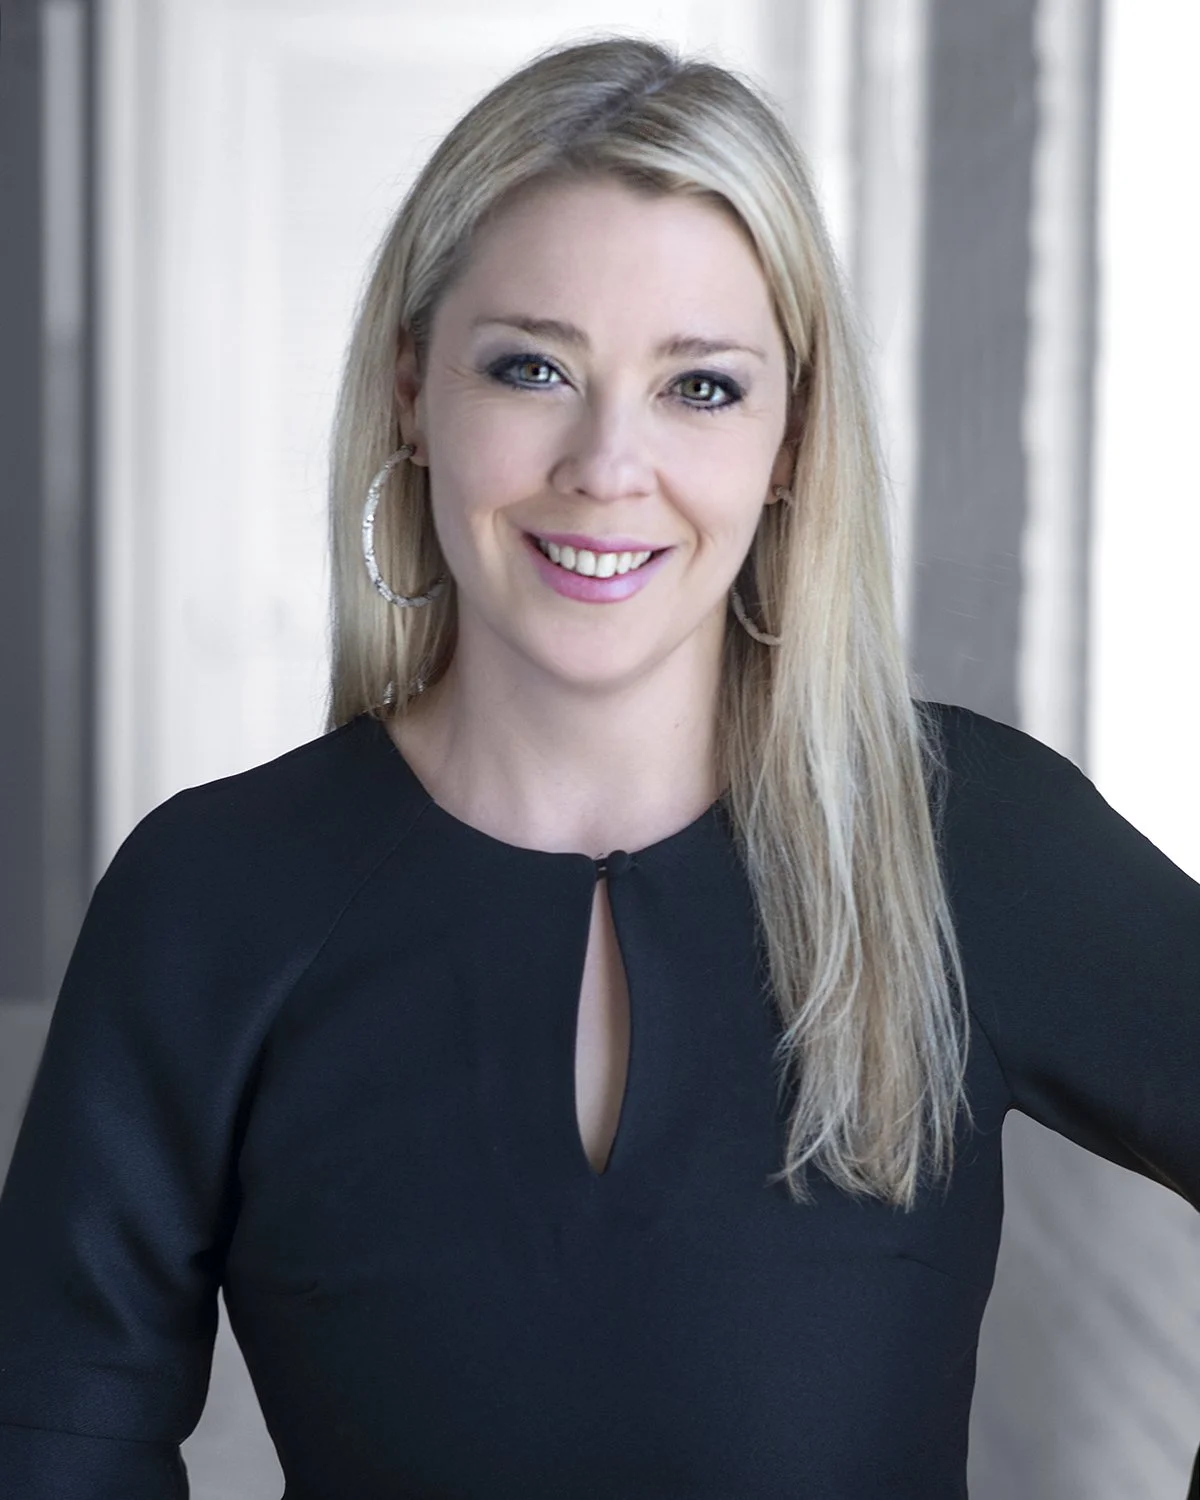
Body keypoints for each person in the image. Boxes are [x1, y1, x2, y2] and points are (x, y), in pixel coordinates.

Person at [0, 32, 1197, 1500]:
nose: (607, 465)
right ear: (413, 393)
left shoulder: (970, 838)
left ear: (790, 438)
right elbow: (53, 1441)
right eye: (533, 368)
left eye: (701, 387)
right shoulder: (211, 899)